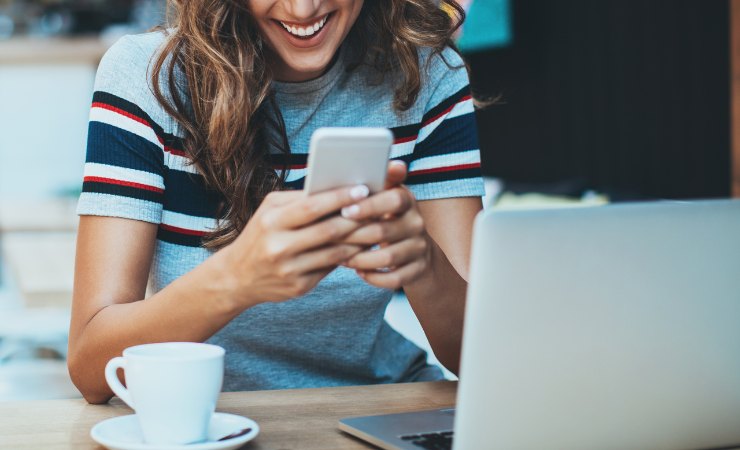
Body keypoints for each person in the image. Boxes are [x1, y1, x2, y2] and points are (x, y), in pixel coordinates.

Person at [68, 0, 485, 404]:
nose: (303, 9)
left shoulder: (428, 73)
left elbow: (482, 358)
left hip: (379, 405)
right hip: (204, 416)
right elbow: (90, 367)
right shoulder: (147, 76)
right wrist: (235, 278)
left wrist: (424, 263)